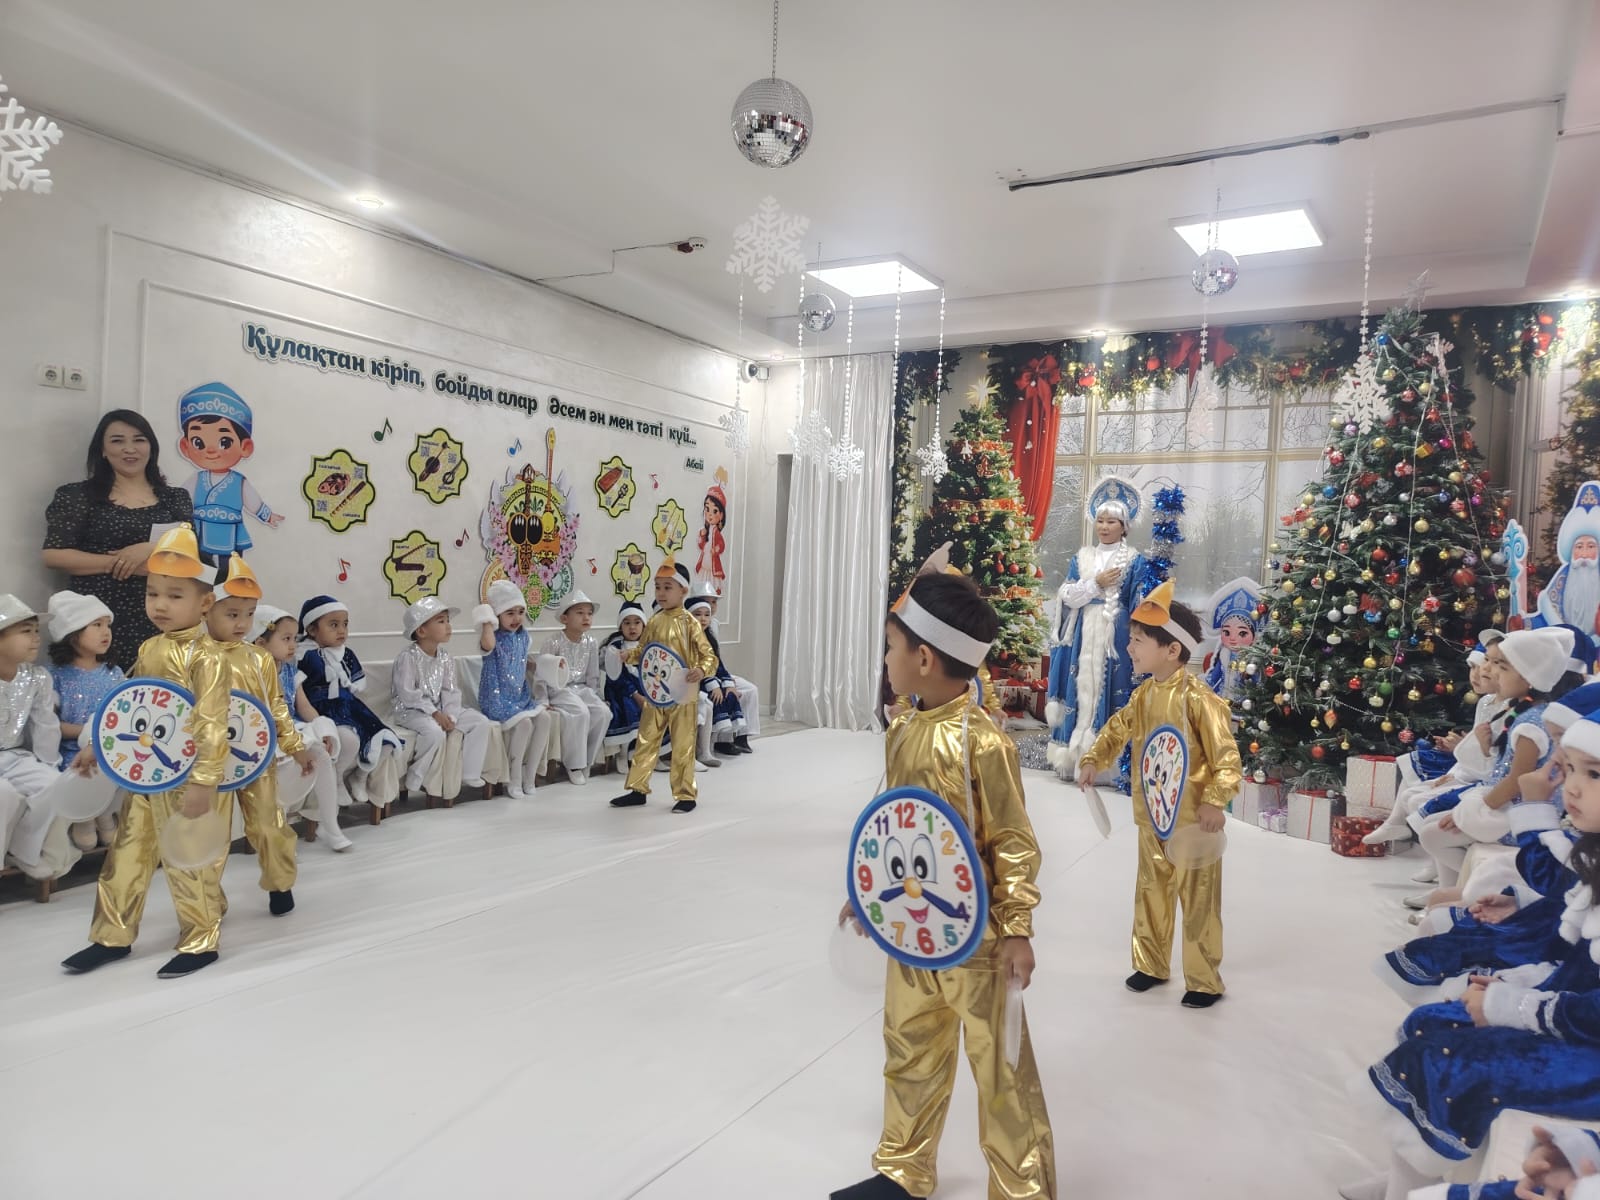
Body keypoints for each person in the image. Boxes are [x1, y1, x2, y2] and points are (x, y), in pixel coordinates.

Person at [831, 570, 1055, 1200]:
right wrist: (872, 892)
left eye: (890, 647)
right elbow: (900, 824)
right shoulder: (903, 729)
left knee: (1000, 1066)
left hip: (978, 943)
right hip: (913, 931)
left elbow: (1013, 840)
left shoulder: (982, 742)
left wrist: (1016, 928)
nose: (885, 660)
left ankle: (1023, 1188)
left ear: (923, 657)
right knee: (908, 1047)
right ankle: (903, 1168)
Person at [1342, 708, 1600, 1200]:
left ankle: (1416, 1180)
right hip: (1573, 1012)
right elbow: (1569, 909)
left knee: (1456, 1058)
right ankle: (1416, 1173)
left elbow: (1553, 881)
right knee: (1432, 1023)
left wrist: (1511, 1005)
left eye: (1594, 774)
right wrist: (1516, 981)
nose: (1572, 787)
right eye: (1570, 769)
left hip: (1587, 1043)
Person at [61, 523, 233, 979]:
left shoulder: (208, 658)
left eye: (175, 595)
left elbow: (213, 723)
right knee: (127, 853)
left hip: (187, 778)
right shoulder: (150, 647)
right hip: (145, 775)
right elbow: (128, 704)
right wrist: (97, 744)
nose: (159, 604)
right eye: (153, 593)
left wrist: (203, 781)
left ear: (205, 603)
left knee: (187, 858)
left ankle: (200, 939)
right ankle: (111, 936)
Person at [1078, 578, 1239, 1008]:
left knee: (1199, 900)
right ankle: (1150, 963)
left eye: (1138, 641)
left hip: (1193, 824)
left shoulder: (1199, 699)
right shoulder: (1144, 696)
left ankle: (1203, 979)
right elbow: (1116, 730)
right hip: (1153, 816)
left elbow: (1226, 755)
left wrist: (1215, 799)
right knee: (1151, 891)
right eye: (1131, 639)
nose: (1129, 647)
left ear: (1172, 650)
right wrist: (1094, 758)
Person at [42, 409, 194, 671]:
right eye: (117, 441)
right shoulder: (77, 495)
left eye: (139, 440)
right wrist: (124, 564)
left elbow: (191, 547)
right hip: (97, 616)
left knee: (156, 686)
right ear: (102, 450)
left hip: (159, 611)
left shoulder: (175, 498)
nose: (129, 449)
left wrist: (150, 549)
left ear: (151, 447)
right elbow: (54, 555)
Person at [205, 555, 310, 915]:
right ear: (207, 608)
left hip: (255, 755)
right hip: (210, 763)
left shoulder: (259, 659)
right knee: (211, 833)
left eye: (249, 614)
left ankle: (280, 882)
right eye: (232, 614)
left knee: (268, 823)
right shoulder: (193, 656)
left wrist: (294, 746)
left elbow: (276, 705)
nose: (242, 624)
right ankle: (207, 900)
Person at [1045, 475, 1156, 786]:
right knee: (1079, 687)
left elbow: (1138, 603)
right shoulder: (1082, 557)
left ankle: (1109, 765)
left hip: (1116, 638)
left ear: (1124, 526)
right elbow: (1067, 596)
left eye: (1111, 522)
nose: (1104, 527)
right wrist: (1096, 584)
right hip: (1083, 636)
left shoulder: (1134, 561)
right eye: (1101, 520)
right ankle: (1074, 757)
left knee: (1114, 689)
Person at [610, 558, 717, 814]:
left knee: (682, 744)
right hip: (656, 691)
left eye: (667, 587)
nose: (661, 592)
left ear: (683, 590)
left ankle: (685, 794)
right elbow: (643, 651)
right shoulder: (655, 621)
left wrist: (701, 670)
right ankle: (637, 789)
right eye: (658, 587)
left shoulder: (690, 623)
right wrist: (627, 655)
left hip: (683, 694)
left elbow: (709, 656)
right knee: (646, 739)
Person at [252, 605, 350, 852]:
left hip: (292, 729)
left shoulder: (289, 671)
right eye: (286, 639)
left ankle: (330, 825)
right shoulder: (249, 674)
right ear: (261, 643)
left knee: (322, 755)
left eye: (294, 639)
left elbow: (304, 707)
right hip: (265, 734)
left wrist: (322, 729)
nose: (293, 645)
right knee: (284, 768)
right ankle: (279, 835)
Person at [299, 595, 403, 811]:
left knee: (385, 739)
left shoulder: (346, 654)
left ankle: (360, 776)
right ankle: (337, 779)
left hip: (350, 706)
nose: (342, 631)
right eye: (333, 625)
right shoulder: (304, 655)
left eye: (345, 624)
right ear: (312, 629)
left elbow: (357, 684)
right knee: (349, 741)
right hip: (322, 708)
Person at [392, 596, 491, 803]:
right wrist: (435, 714)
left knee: (480, 721)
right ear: (421, 631)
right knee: (434, 733)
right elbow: (408, 694)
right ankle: (416, 774)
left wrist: (451, 716)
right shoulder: (408, 657)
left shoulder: (445, 657)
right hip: (411, 710)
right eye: (441, 621)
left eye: (448, 621)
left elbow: (451, 691)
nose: (448, 626)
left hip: (440, 708)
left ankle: (470, 773)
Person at [46, 590, 124, 850]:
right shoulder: (54, 676)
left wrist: (102, 738)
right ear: (72, 633)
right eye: (97, 625)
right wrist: (87, 733)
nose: (106, 632)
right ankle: (85, 817)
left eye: (108, 625)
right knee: (82, 771)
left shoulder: (114, 673)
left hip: (110, 748)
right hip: (72, 751)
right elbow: (50, 724)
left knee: (115, 767)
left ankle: (105, 814)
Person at [175, 381, 283, 557]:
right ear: (185, 446)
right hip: (200, 529)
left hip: (231, 531)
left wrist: (267, 515)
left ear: (245, 447)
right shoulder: (197, 479)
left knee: (231, 565)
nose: (211, 450)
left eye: (224, 442)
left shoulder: (239, 482)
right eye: (198, 442)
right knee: (201, 562)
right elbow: (181, 499)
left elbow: (252, 501)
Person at [0, 595, 67, 876]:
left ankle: (24, 850)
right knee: (4, 795)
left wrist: (50, 766)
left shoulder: (37, 677)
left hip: (14, 757)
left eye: (37, 630)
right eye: (26, 631)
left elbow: (45, 726)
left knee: (56, 785)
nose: (36, 638)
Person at [474, 580, 552, 801]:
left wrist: (545, 666)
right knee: (524, 723)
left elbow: (522, 662)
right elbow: (489, 645)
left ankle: (529, 775)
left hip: (519, 696)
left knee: (545, 718)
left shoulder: (523, 636)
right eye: (509, 613)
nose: (517, 618)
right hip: (496, 698)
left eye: (520, 612)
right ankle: (514, 777)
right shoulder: (491, 637)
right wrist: (487, 617)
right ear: (497, 615)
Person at [541, 589, 609, 785]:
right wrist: (543, 700)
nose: (586, 617)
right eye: (580, 613)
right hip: (559, 689)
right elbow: (541, 676)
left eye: (589, 613)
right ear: (565, 618)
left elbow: (593, 676)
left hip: (582, 689)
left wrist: (597, 697)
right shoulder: (553, 641)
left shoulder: (591, 642)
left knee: (603, 713)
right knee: (581, 712)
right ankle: (573, 764)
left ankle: (587, 760)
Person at [689, 579, 758, 752]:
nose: (711, 607)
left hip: (716, 671)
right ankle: (722, 740)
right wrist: (716, 683)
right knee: (718, 694)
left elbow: (716, 659)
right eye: (707, 602)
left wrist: (728, 682)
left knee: (750, 690)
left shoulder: (713, 624)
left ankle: (741, 736)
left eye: (714, 602)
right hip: (703, 676)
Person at [1536, 478, 1600, 647]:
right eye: (1579, 547)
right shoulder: (1564, 578)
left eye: (1591, 546)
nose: (1584, 554)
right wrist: (1563, 630)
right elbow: (1548, 604)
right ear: (1571, 551)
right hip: (1565, 643)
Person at [1199, 577, 1260, 701]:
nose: (1232, 639)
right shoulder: (1223, 655)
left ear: (1254, 637)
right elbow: (1215, 676)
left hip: (1245, 702)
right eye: (1226, 632)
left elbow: (1257, 681)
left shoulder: (1253, 659)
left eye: (1242, 633)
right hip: (1221, 699)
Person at [601, 599, 647, 744]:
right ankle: (625, 750)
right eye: (627, 623)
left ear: (644, 625)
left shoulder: (648, 645)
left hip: (644, 689)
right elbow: (616, 679)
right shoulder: (615, 647)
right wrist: (636, 695)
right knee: (628, 708)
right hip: (621, 692)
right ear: (621, 626)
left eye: (637, 622)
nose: (632, 627)